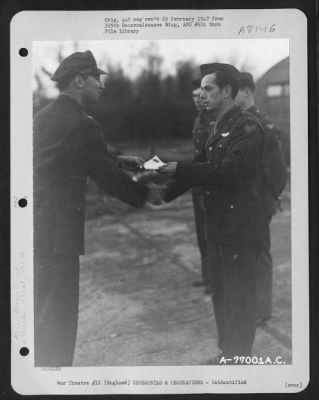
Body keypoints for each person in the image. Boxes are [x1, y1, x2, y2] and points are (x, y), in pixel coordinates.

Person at [33, 50, 159, 367]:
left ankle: (42, 370)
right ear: (79, 80)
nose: (101, 85)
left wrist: (115, 158)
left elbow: (69, 154)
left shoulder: (43, 116)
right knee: (60, 308)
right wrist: (144, 194)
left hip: (38, 222)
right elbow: (101, 171)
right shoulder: (82, 123)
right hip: (63, 228)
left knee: (43, 303)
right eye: (97, 78)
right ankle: (54, 377)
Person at [159, 63, 265, 363]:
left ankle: (239, 359)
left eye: (209, 89)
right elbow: (200, 166)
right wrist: (163, 193)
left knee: (239, 297)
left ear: (228, 92)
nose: (202, 95)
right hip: (218, 225)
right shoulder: (218, 127)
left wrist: (178, 169)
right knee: (220, 293)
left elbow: (227, 172)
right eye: (201, 89)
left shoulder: (247, 127)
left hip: (239, 227)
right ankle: (227, 352)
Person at [235, 72, 287, 325]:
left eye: (235, 92)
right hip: (242, 202)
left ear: (246, 92)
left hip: (258, 202)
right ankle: (250, 305)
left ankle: (262, 310)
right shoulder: (237, 123)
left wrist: (269, 198)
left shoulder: (263, 125)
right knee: (245, 254)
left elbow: (278, 170)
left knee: (258, 255)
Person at [191, 79, 215, 293]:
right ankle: (206, 277)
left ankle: (215, 280)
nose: (197, 100)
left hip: (208, 183)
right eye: (194, 97)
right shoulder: (198, 120)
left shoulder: (216, 119)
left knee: (211, 233)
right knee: (201, 232)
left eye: (201, 96)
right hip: (197, 184)